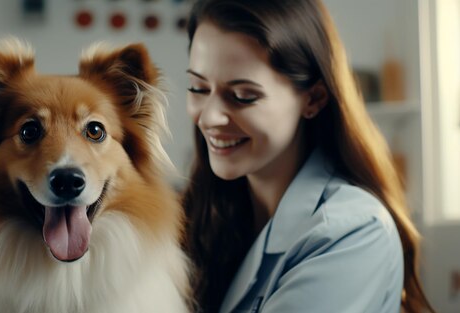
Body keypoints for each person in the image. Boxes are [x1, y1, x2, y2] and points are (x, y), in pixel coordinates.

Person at [181, 0, 434, 312]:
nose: (210, 118)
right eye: (198, 88)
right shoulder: (208, 217)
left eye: (243, 96)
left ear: (312, 98)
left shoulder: (352, 232)